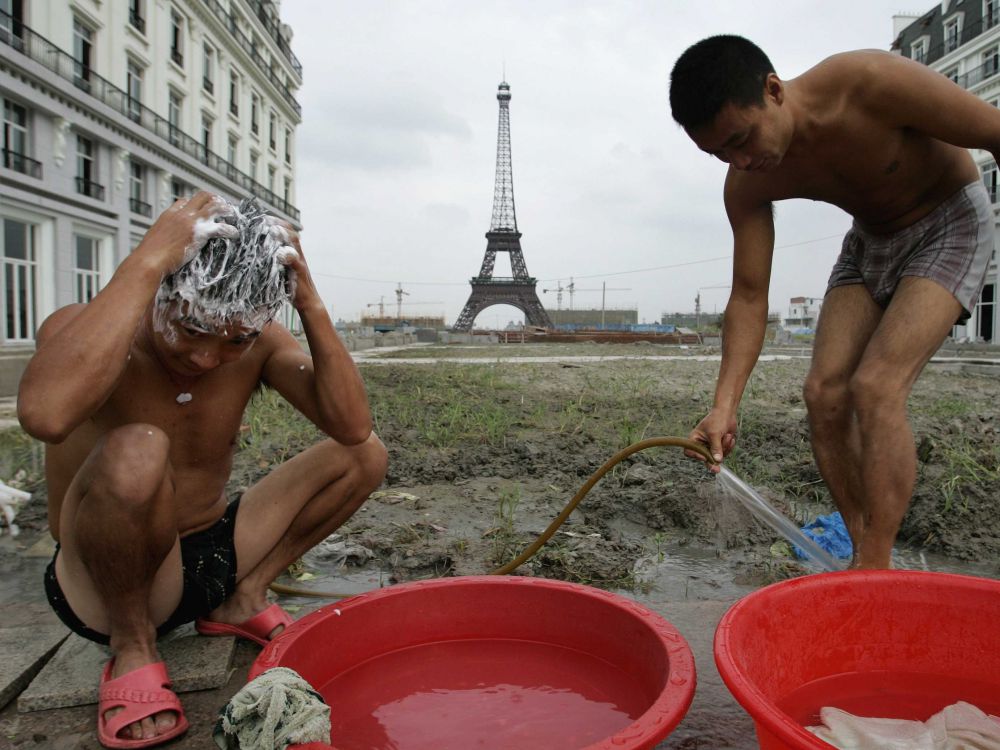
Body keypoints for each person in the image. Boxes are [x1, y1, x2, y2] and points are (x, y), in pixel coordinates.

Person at [17, 193, 387, 748]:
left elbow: (352, 426)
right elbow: (44, 416)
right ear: (160, 290)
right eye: (191, 330)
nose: (207, 358)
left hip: (214, 554)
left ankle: (242, 598)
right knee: (140, 447)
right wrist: (146, 262)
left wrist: (307, 301)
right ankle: (132, 644)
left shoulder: (258, 342)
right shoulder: (87, 330)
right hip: (105, 577)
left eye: (235, 340)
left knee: (367, 453)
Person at [669, 36, 997, 570]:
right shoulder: (747, 183)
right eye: (720, 154)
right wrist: (725, 405)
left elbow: (995, 131)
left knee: (876, 386)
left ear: (773, 90)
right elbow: (750, 296)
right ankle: (862, 547)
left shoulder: (868, 83)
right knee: (823, 394)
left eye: (742, 139)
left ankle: (876, 564)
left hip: (948, 222)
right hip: (870, 240)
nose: (741, 161)